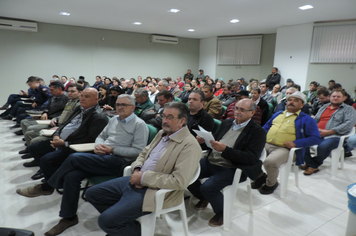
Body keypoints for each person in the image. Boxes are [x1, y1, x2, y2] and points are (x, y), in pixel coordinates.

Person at [16, 94, 148, 236]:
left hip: (119, 162)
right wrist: (98, 146)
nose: (120, 107)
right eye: (118, 104)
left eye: (124, 105)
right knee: (71, 176)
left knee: (74, 158)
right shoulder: (114, 119)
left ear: (133, 108)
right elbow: (101, 136)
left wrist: (112, 149)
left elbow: (138, 151)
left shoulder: (139, 125)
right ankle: (69, 217)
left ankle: (47, 186)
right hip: (102, 156)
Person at [85, 102, 202, 236]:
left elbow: (179, 181)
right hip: (137, 178)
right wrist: (137, 169)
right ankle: (124, 224)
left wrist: (143, 178)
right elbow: (143, 154)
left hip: (155, 191)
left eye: (170, 117)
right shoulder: (163, 133)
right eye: (164, 116)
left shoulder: (190, 145)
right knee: (92, 193)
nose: (164, 121)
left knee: (105, 221)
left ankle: (129, 229)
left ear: (182, 121)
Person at [188, 99, 266, 226]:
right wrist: (205, 141)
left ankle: (222, 213)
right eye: (236, 108)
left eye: (242, 110)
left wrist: (225, 150)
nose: (237, 112)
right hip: (211, 160)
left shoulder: (258, 132)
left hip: (232, 167)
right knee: (186, 172)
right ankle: (203, 197)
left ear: (252, 113)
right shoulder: (228, 123)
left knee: (207, 187)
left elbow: (251, 158)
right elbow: (215, 142)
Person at [19, 88, 108, 172]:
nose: (83, 99)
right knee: (33, 148)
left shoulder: (98, 117)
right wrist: (56, 134)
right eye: (82, 96)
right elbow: (65, 124)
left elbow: (91, 139)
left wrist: (64, 143)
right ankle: (46, 171)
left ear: (96, 100)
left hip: (72, 145)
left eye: (87, 97)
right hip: (61, 140)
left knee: (46, 160)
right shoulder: (79, 108)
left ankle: (50, 183)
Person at [251, 91, 321, 194]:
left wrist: (296, 143)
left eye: (296, 100)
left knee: (270, 162)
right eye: (289, 100)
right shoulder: (278, 114)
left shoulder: (306, 119)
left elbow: (316, 138)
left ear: (302, 105)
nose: (291, 102)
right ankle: (261, 176)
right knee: (248, 155)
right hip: (266, 143)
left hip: (285, 149)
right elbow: (265, 128)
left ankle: (271, 183)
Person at [303, 90, 356, 175]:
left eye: (338, 96)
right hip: (317, 133)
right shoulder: (324, 107)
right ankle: (309, 162)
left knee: (323, 146)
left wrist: (329, 131)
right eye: (333, 96)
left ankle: (313, 165)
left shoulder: (349, 109)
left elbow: (349, 124)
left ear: (344, 98)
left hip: (335, 136)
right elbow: (316, 119)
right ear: (330, 97)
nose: (335, 98)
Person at [19, 81, 70, 147]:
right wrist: (45, 112)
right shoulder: (53, 97)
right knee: (24, 122)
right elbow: (46, 106)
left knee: (30, 130)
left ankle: (32, 145)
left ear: (59, 89)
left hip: (54, 120)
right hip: (48, 117)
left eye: (52, 90)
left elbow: (64, 114)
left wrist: (54, 119)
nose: (50, 92)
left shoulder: (66, 98)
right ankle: (30, 144)